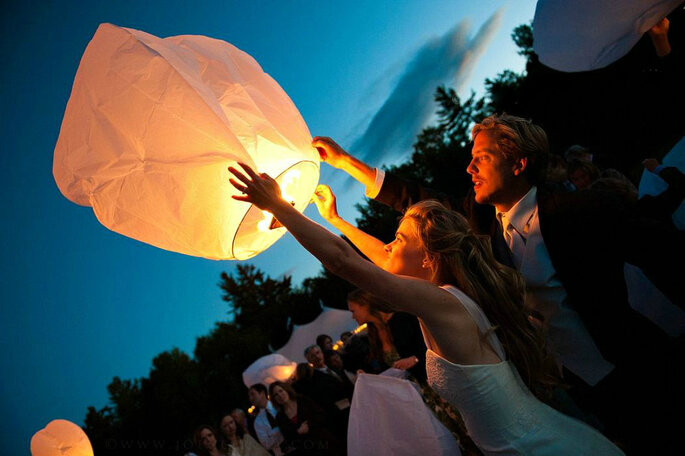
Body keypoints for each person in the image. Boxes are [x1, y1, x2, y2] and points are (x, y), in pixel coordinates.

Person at [312, 114, 683, 454]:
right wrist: (345, 162)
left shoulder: (580, 210)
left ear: (519, 163)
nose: (469, 167)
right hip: (557, 392)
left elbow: (661, 253)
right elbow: (415, 199)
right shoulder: (481, 226)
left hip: (635, 370)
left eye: (482, 157)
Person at [228, 162, 624, 455]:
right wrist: (333, 219)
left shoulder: (442, 301)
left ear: (430, 257)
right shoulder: (439, 297)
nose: (390, 245)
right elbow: (378, 256)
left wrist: (278, 206)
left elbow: (344, 263)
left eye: (400, 238)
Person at [268, 381, 343, 455]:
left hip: (326, 441)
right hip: (309, 451)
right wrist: (298, 432)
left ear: (286, 390)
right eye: (276, 395)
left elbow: (321, 414)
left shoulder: (302, 400)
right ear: (274, 399)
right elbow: (289, 439)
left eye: (281, 391)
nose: (280, 395)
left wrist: (309, 425)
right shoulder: (280, 417)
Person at [247, 383, 285, 455]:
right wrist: (281, 429)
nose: (250, 398)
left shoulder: (278, 406)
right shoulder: (257, 422)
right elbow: (267, 445)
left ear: (262, 393)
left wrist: (273, 434)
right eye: (249, 396)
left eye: (252, 394)